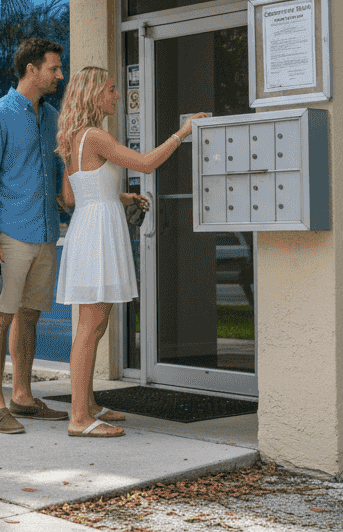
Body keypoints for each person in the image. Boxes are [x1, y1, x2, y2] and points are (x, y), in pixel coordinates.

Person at [55, 66, 206, 437]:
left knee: (96, 323)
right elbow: (146, 163)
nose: (117, 95)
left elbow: (71, 196)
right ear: (94, 94)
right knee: (90, 326)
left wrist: (118, 196)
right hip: (97, 234)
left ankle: (88, 404)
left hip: (89, 226)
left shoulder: (74, 138)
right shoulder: (95, 136)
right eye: (110, 89)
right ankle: (79, 418)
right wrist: (183, 132)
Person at [0, 38, 69, 434]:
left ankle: (23, 397)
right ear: (32, 70)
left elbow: (57, 181)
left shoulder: (51, 117)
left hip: (45, 233)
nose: (59, 75)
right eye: (53, 68)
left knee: (30, 317)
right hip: (9, 234)